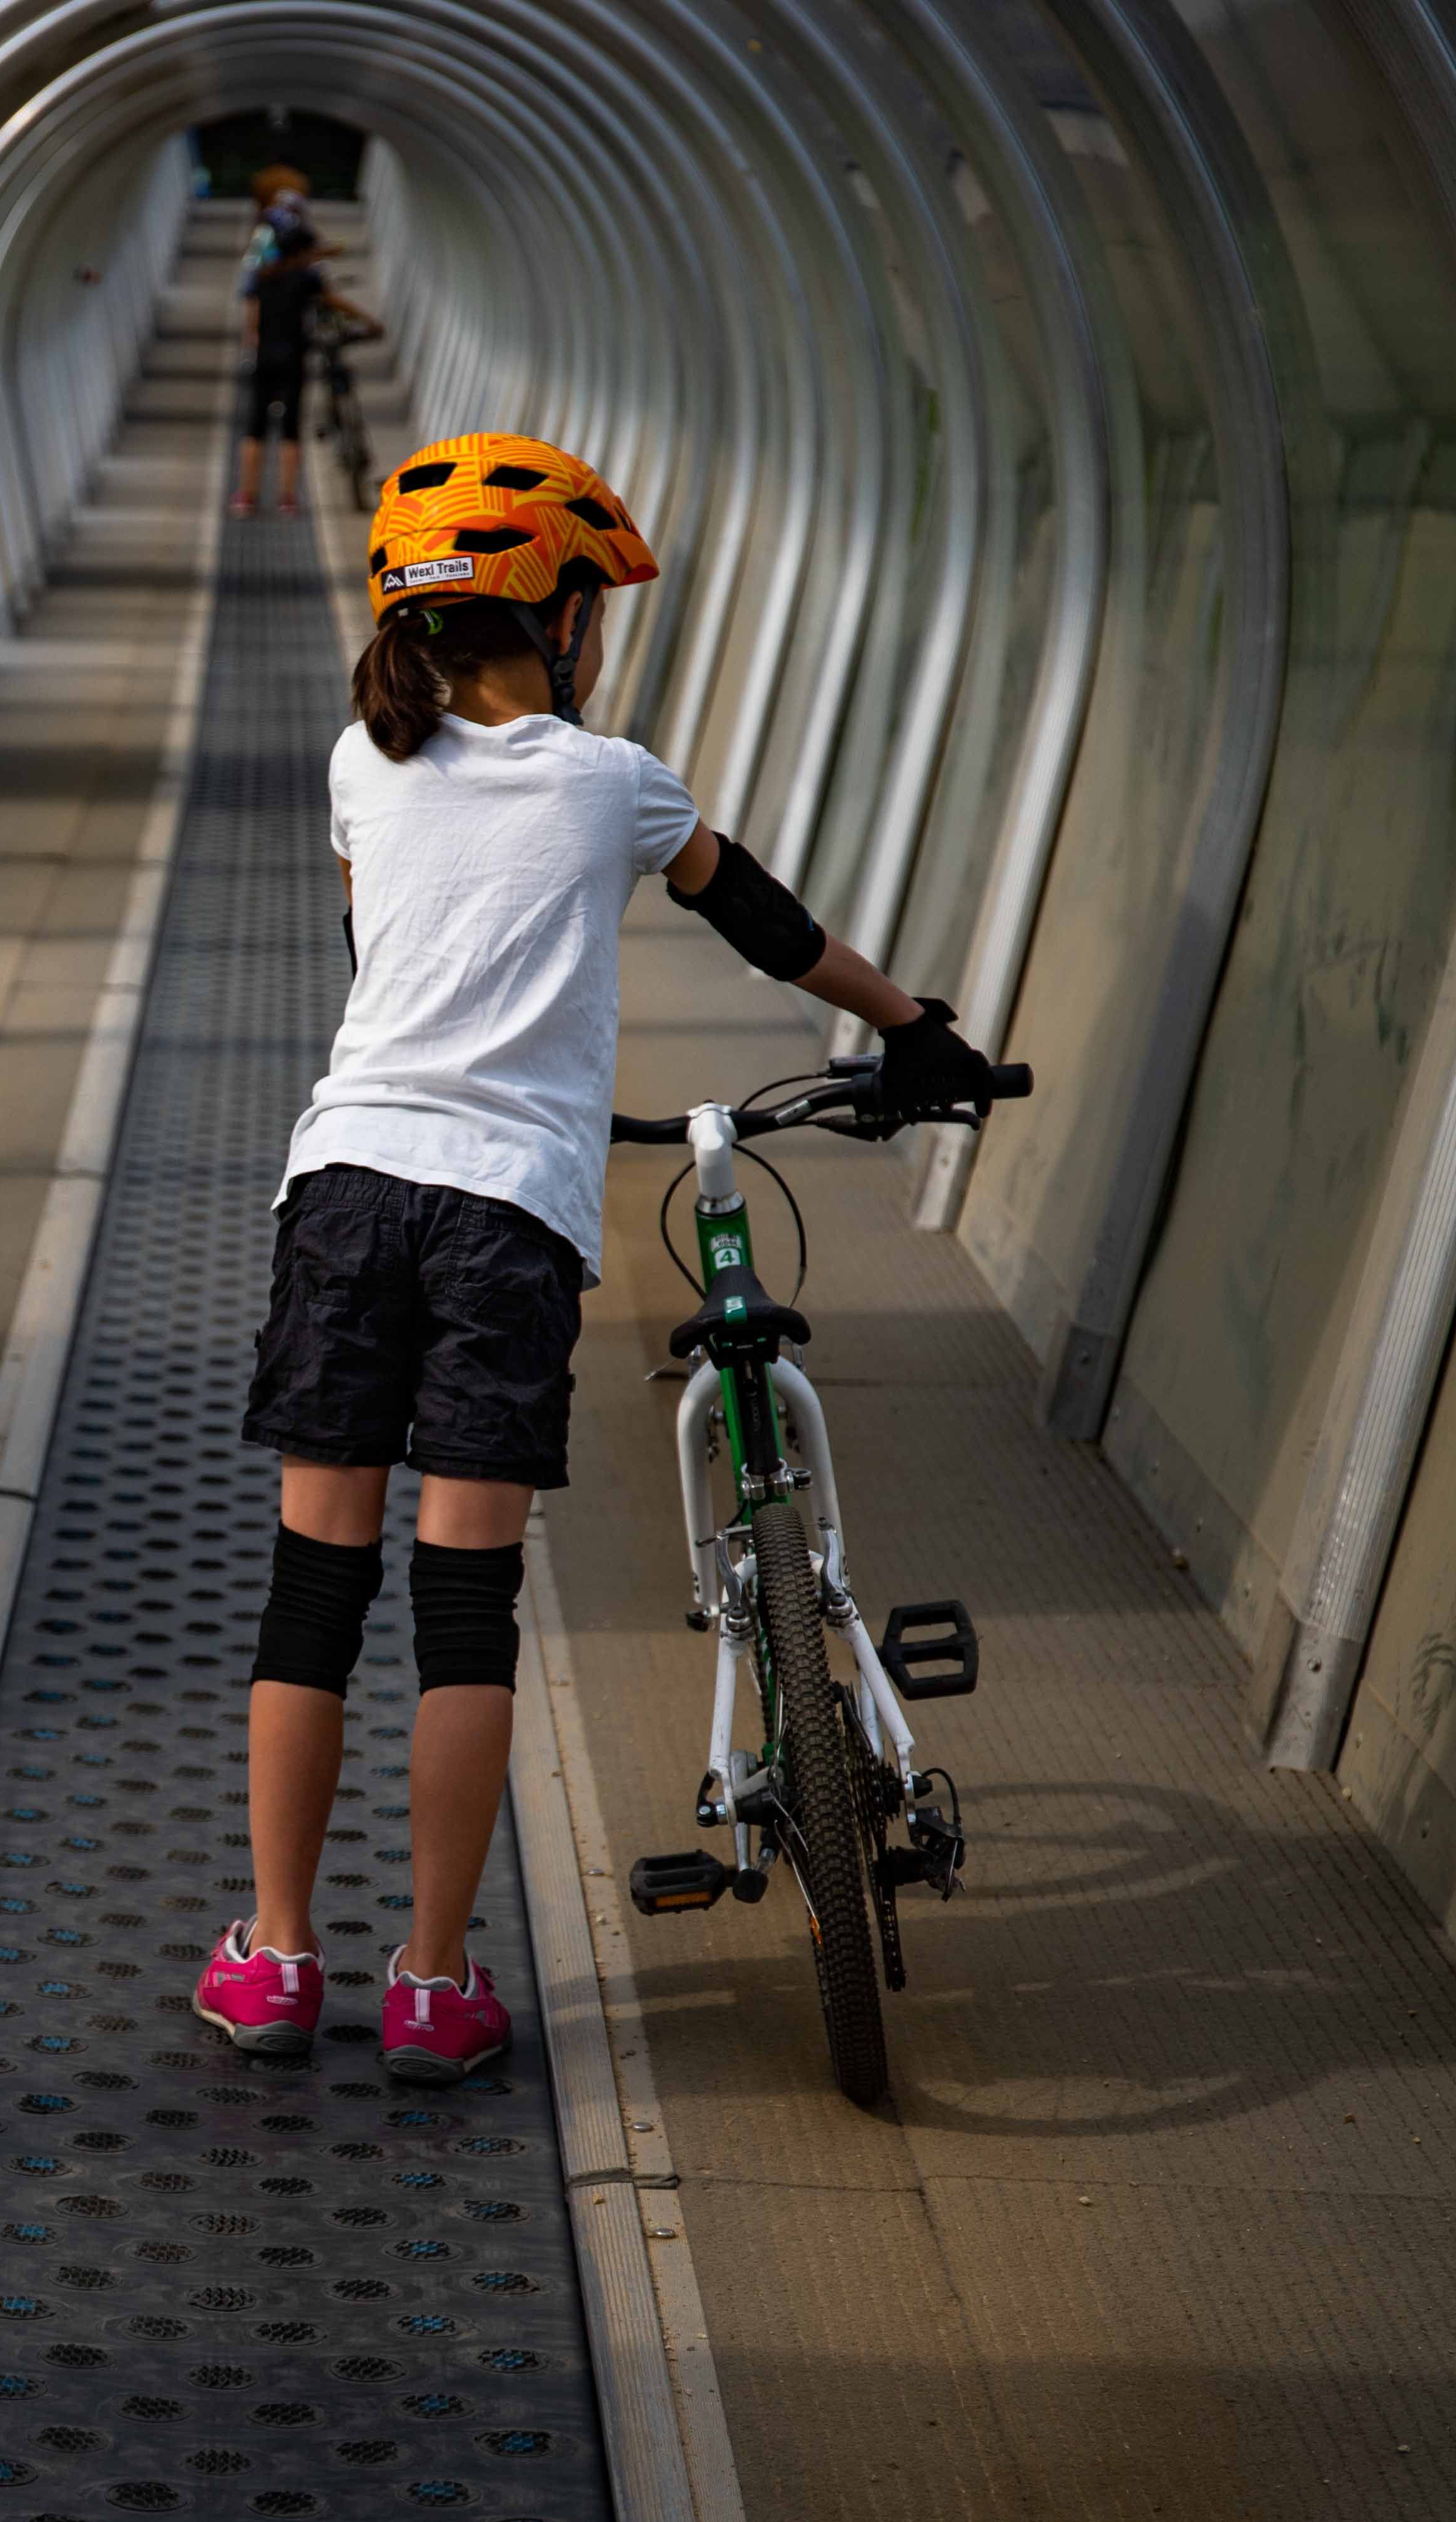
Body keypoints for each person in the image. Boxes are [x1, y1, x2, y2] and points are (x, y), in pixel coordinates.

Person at [191, 433, 1001, 2081]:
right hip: (505, 1217)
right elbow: (764, 922)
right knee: (464, 1611)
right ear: (556, 617)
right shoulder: (615, 780)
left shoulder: (364, 756)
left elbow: (387, 965)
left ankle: (275, 1960)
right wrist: (917, 1027)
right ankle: (431, 1980)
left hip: (349, 1187)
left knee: (312, 1596)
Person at [232, 172, 371, 518]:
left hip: (264, 357)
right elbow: (333, 301)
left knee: (255, 427)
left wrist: (252, 339)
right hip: (294, 357)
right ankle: (287, 499)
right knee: (291, 428)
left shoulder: (263, 277)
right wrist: (371, 322)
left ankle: (246, 497)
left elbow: (253, 313)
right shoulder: (307, 278)